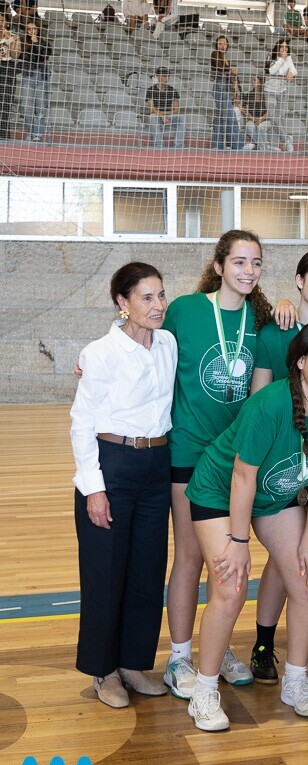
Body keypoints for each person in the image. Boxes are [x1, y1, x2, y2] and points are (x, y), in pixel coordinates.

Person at [184, 322, 308, 730]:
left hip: (274, 497)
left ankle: (295, 681)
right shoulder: (270, 404)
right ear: (300, 362)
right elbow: (243, 476)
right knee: (230, 587)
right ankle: (204, 691)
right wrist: (239, 541)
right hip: (220, 492)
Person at [161, 230, 272, 701]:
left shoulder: (262, 320)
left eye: (256, 263)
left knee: (222, 562)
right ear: (219, 265)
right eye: (240, 262)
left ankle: (215, 645)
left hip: (233, 459)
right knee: (190, 556)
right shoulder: (186, 310)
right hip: (188, 453)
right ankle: (179, 658)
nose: (248, 271)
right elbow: (146, 346)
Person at [70, 262, 176, 709]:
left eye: (161, 295)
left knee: (147, 571)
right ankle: (104, 670)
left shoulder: (168, 343)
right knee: (105, 572)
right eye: (146, 297)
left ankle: (133, 663)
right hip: (112, 464)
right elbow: (82, 422)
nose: (157, 305)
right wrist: (93, 488)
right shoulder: (100, 353)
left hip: (157, 464)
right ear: (123, 302)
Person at [247, 249, 308, 683]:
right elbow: (260, 400)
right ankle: (264, 645)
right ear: (300, 280)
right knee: (288, 558)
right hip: (281, 468)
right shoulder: (276, 330)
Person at [263, 39, 296, 153]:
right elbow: (271, 71)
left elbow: (294, 70)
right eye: (282, 46)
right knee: (273, 116)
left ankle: (274, 144)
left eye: (286, 47)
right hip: (270, 91)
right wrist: (282, 59)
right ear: (277, 47)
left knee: (280, 118)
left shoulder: (289, 58)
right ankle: (287, 139)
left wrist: (291, 73)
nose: (284, 49)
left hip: (282, 90)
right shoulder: (271, 56)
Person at [18, 20, 48, 142]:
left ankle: (38, 134)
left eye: (34, 28)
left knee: (41, 107)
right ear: (26, 31)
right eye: (29, 29)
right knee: (27, 107)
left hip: (41, 75)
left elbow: (44, 56)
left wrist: (35, 43)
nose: (32, 31)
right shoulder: (22, 43)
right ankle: (30, 132)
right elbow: (23, 57)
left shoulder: (44, 43)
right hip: (28, 75)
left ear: (38, 30)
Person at [210, 35, 241, 150]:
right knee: (230, 116)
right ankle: (238, 145)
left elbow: (230, 75)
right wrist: (231, 70)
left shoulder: (227, 59)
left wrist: (234, 82)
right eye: (220, 43)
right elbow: (220, 69)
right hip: (219, 86)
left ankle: (217, 145)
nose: (222, 46)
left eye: (224, 44)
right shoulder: (215, 54)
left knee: (220, 117)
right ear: (216, 45)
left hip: (226, 87)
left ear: (227, 46)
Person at [145, 66, 184, 149]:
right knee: (152, 117)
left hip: (169, 116)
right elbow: (151, 108)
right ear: (158, 76)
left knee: (182, 117)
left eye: (168, 76)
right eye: (164, 76)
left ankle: (178, 145)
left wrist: (165, 114)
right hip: (157, 116)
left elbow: (176, 110)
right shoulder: (151, 90)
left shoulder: (172, 90)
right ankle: (159, 145)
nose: (167, 79)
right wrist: (162, 116)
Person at [0, 16, 21, 139]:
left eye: (2, 20)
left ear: (7, 23)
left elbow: (15, 55)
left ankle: (3, 133)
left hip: (8, 68)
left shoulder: (15, 37)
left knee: (6, 101)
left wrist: (9, 39)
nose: (0, 22)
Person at [236, 74, 268, 151]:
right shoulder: (249, 95)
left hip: (265, 119)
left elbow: (270, 112)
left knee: (261, 127)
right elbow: (246, 111)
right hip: (252, 119)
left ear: (260, 82)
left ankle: (262, 149)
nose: (252, 82)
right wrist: (253, 119)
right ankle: (260, 146)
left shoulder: (266, 95)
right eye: (251, 80)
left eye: (254, 80)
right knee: (249, 126)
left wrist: (260, 119)